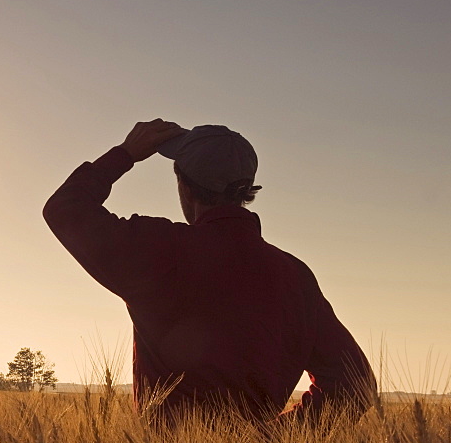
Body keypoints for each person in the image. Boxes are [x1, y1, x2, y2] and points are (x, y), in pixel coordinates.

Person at [43, 119, 376, 424]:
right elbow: (355, 384)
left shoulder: (158, 249)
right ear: (247, 188)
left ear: (185, 188)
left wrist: (125, 154)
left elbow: (65, 209)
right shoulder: (295, 276)